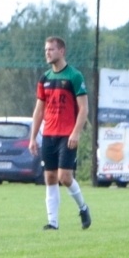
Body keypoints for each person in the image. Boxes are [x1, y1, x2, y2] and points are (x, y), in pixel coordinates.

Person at [29, 36, 91, 230]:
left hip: (67, 135)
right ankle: (52, 222)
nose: (47, 53)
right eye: (46, 49)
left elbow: (83, 109)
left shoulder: (74, 76)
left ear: (62, 51)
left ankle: (83, 208)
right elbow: (39, 110)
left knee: (65, 177)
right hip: (49, 135)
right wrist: (32, 138)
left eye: (51, 49)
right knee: (50, 178)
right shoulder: (45, 78)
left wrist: (76, 133)